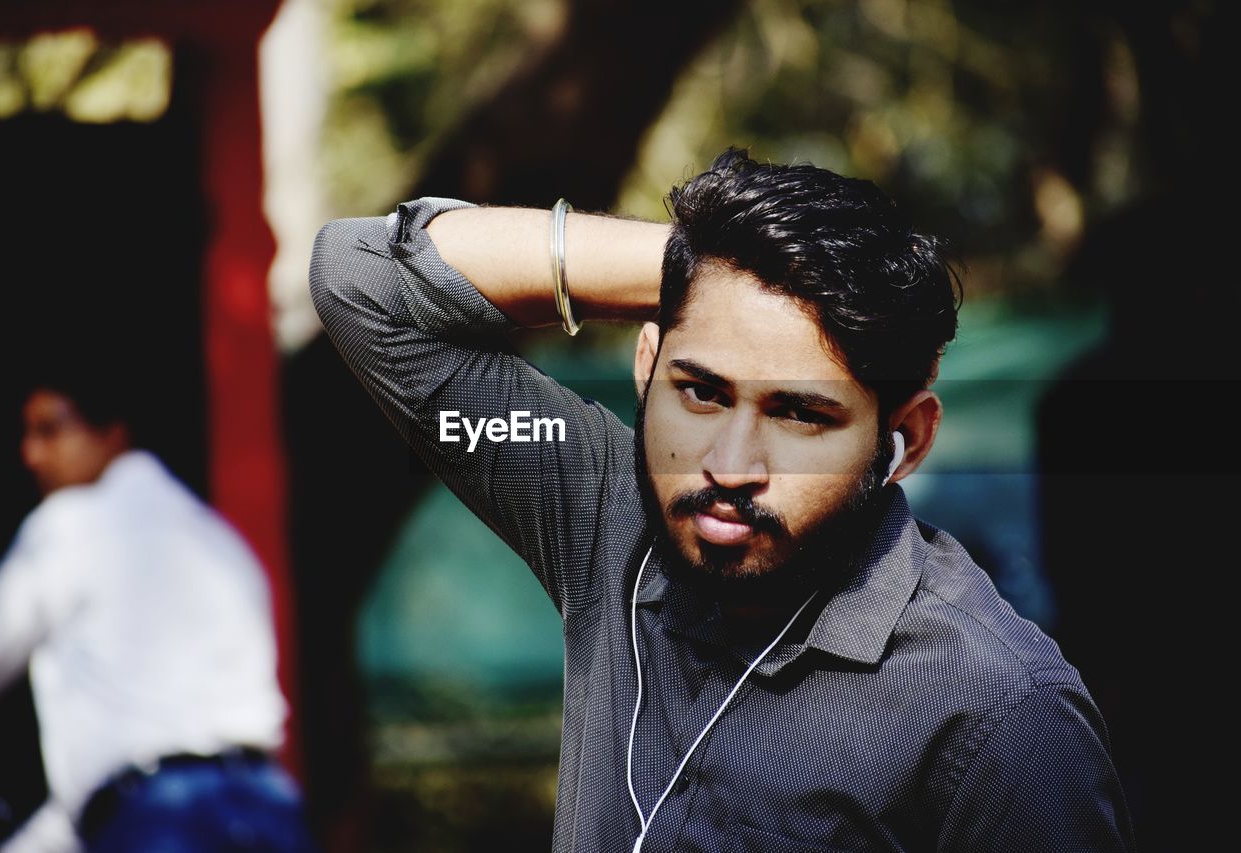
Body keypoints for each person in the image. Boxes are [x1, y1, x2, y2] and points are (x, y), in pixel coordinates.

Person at [309, 149, 1135, 851]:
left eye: (800, 413)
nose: (729, 465)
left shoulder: (999, 718)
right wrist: (703, 269)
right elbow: (363, 281)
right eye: (700, 392)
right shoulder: (603, 516)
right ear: (645, 369)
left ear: (906, 439)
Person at [0, 363, 316, 852]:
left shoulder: (71, 523)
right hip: (268, 808)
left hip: (160, 820)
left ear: (111, 432)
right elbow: (121, 767)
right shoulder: (220, 541)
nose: (31, 454)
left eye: (50, 430)